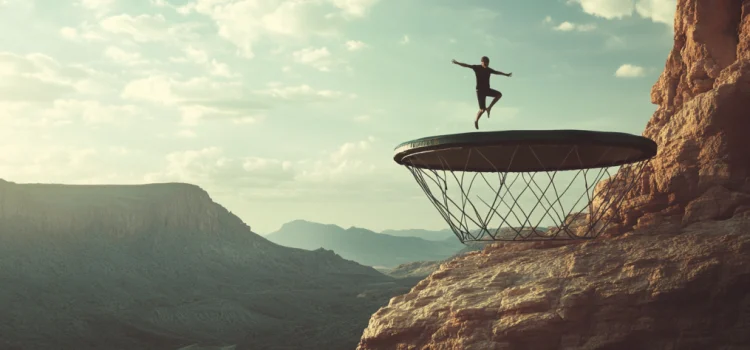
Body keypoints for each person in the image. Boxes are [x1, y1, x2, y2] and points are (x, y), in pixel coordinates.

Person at [452, 56, 512, 129]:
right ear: (482, 62)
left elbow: (497, 72)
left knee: (499, 94)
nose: (486, 65)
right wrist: (457, 62)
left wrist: (506, 74)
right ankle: (476, 120)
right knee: (482, 109)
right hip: (480, 91)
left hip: (487, 90)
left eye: (487, 64)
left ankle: (489, 107)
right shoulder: (477, 67)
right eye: (485, 63)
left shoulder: (489, 70)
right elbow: (466, 65)